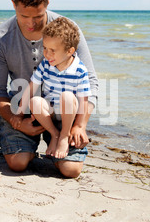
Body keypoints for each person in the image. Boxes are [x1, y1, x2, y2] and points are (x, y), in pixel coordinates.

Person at [0, 0, 98, 178]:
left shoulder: (68, 30)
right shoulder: (0, 37)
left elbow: (90, 82)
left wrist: (80, 125)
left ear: (47, 3)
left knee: (70, 170)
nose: (31, 24)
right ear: (13, 5)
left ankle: (58, 141)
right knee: (18, 164)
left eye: (38, 17)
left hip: (65, 111)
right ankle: (31, 146)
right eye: (24, 16)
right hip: (24, 108)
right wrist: (15, 120)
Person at [13, 17, 91, 160]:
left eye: (53, 50)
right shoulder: (46, 65)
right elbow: (30, 89)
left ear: (69, 51)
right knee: (35, 101)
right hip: (51, 112)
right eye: (45, 48)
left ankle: (64, 135)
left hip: (68, 113)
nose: (47, 54)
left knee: (67, 96)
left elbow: (84, 101)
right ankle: (54, 134)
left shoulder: (80, 70)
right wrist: (18, 113)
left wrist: (80, 125)